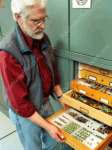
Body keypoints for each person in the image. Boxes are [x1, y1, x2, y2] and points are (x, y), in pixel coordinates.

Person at [0, 0, 68, 149]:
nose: (43, 26)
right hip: (26, 113)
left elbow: (52, 72)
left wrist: (62, 97)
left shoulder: (43, 38)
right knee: (33, 147)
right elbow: (21, 105)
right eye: (37, 21)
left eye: (44, 19)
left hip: (45, 103)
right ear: (18, 17)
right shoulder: (8, 53)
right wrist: (49, 127)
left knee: (51, 143)